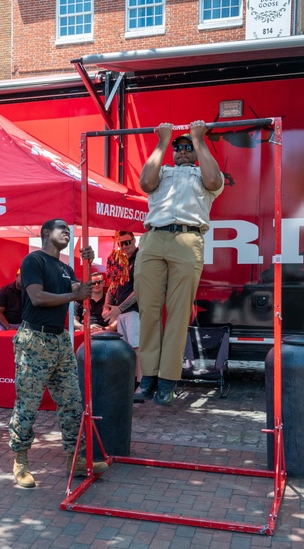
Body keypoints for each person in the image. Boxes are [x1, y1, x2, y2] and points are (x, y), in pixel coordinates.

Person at [8, 218, 108, 489]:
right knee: (28, 404)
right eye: (61, 228)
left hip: (60, 341)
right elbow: (38, 297)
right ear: (45, 233)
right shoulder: (34, 261)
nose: (67, 232)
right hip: (35, 339)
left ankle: (74, 460)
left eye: (68, 229)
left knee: (73, 405)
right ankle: (21, 461)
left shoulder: (66, 267)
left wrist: (87, 264)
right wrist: (74, 296)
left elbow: (80, 290)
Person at [134, 121, 223, 406]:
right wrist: (162, 142)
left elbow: (215, 182)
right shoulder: (162, 172)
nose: (183, 151)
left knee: (178, 312)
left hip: (187, 239)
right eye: (179, 147)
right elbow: (145, 183)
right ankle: (148, 376)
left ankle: (168, 380)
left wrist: (199, 139)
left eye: (188, 147)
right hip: (153, 238)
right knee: (148, 309)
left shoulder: (202, 171)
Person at [103, 230, 141, 383]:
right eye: (121, 243)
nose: (124, 246)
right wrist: (106, 306)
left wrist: (119, 309)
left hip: (134, 311)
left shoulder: (140, 258)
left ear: (134, 241)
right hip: (122, 312)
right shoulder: (120, 260)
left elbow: (140, 290)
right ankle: (130, 382)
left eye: (127, 242)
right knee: (126, 350)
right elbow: (113, 285)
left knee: (136, 349)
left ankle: (141, 384)